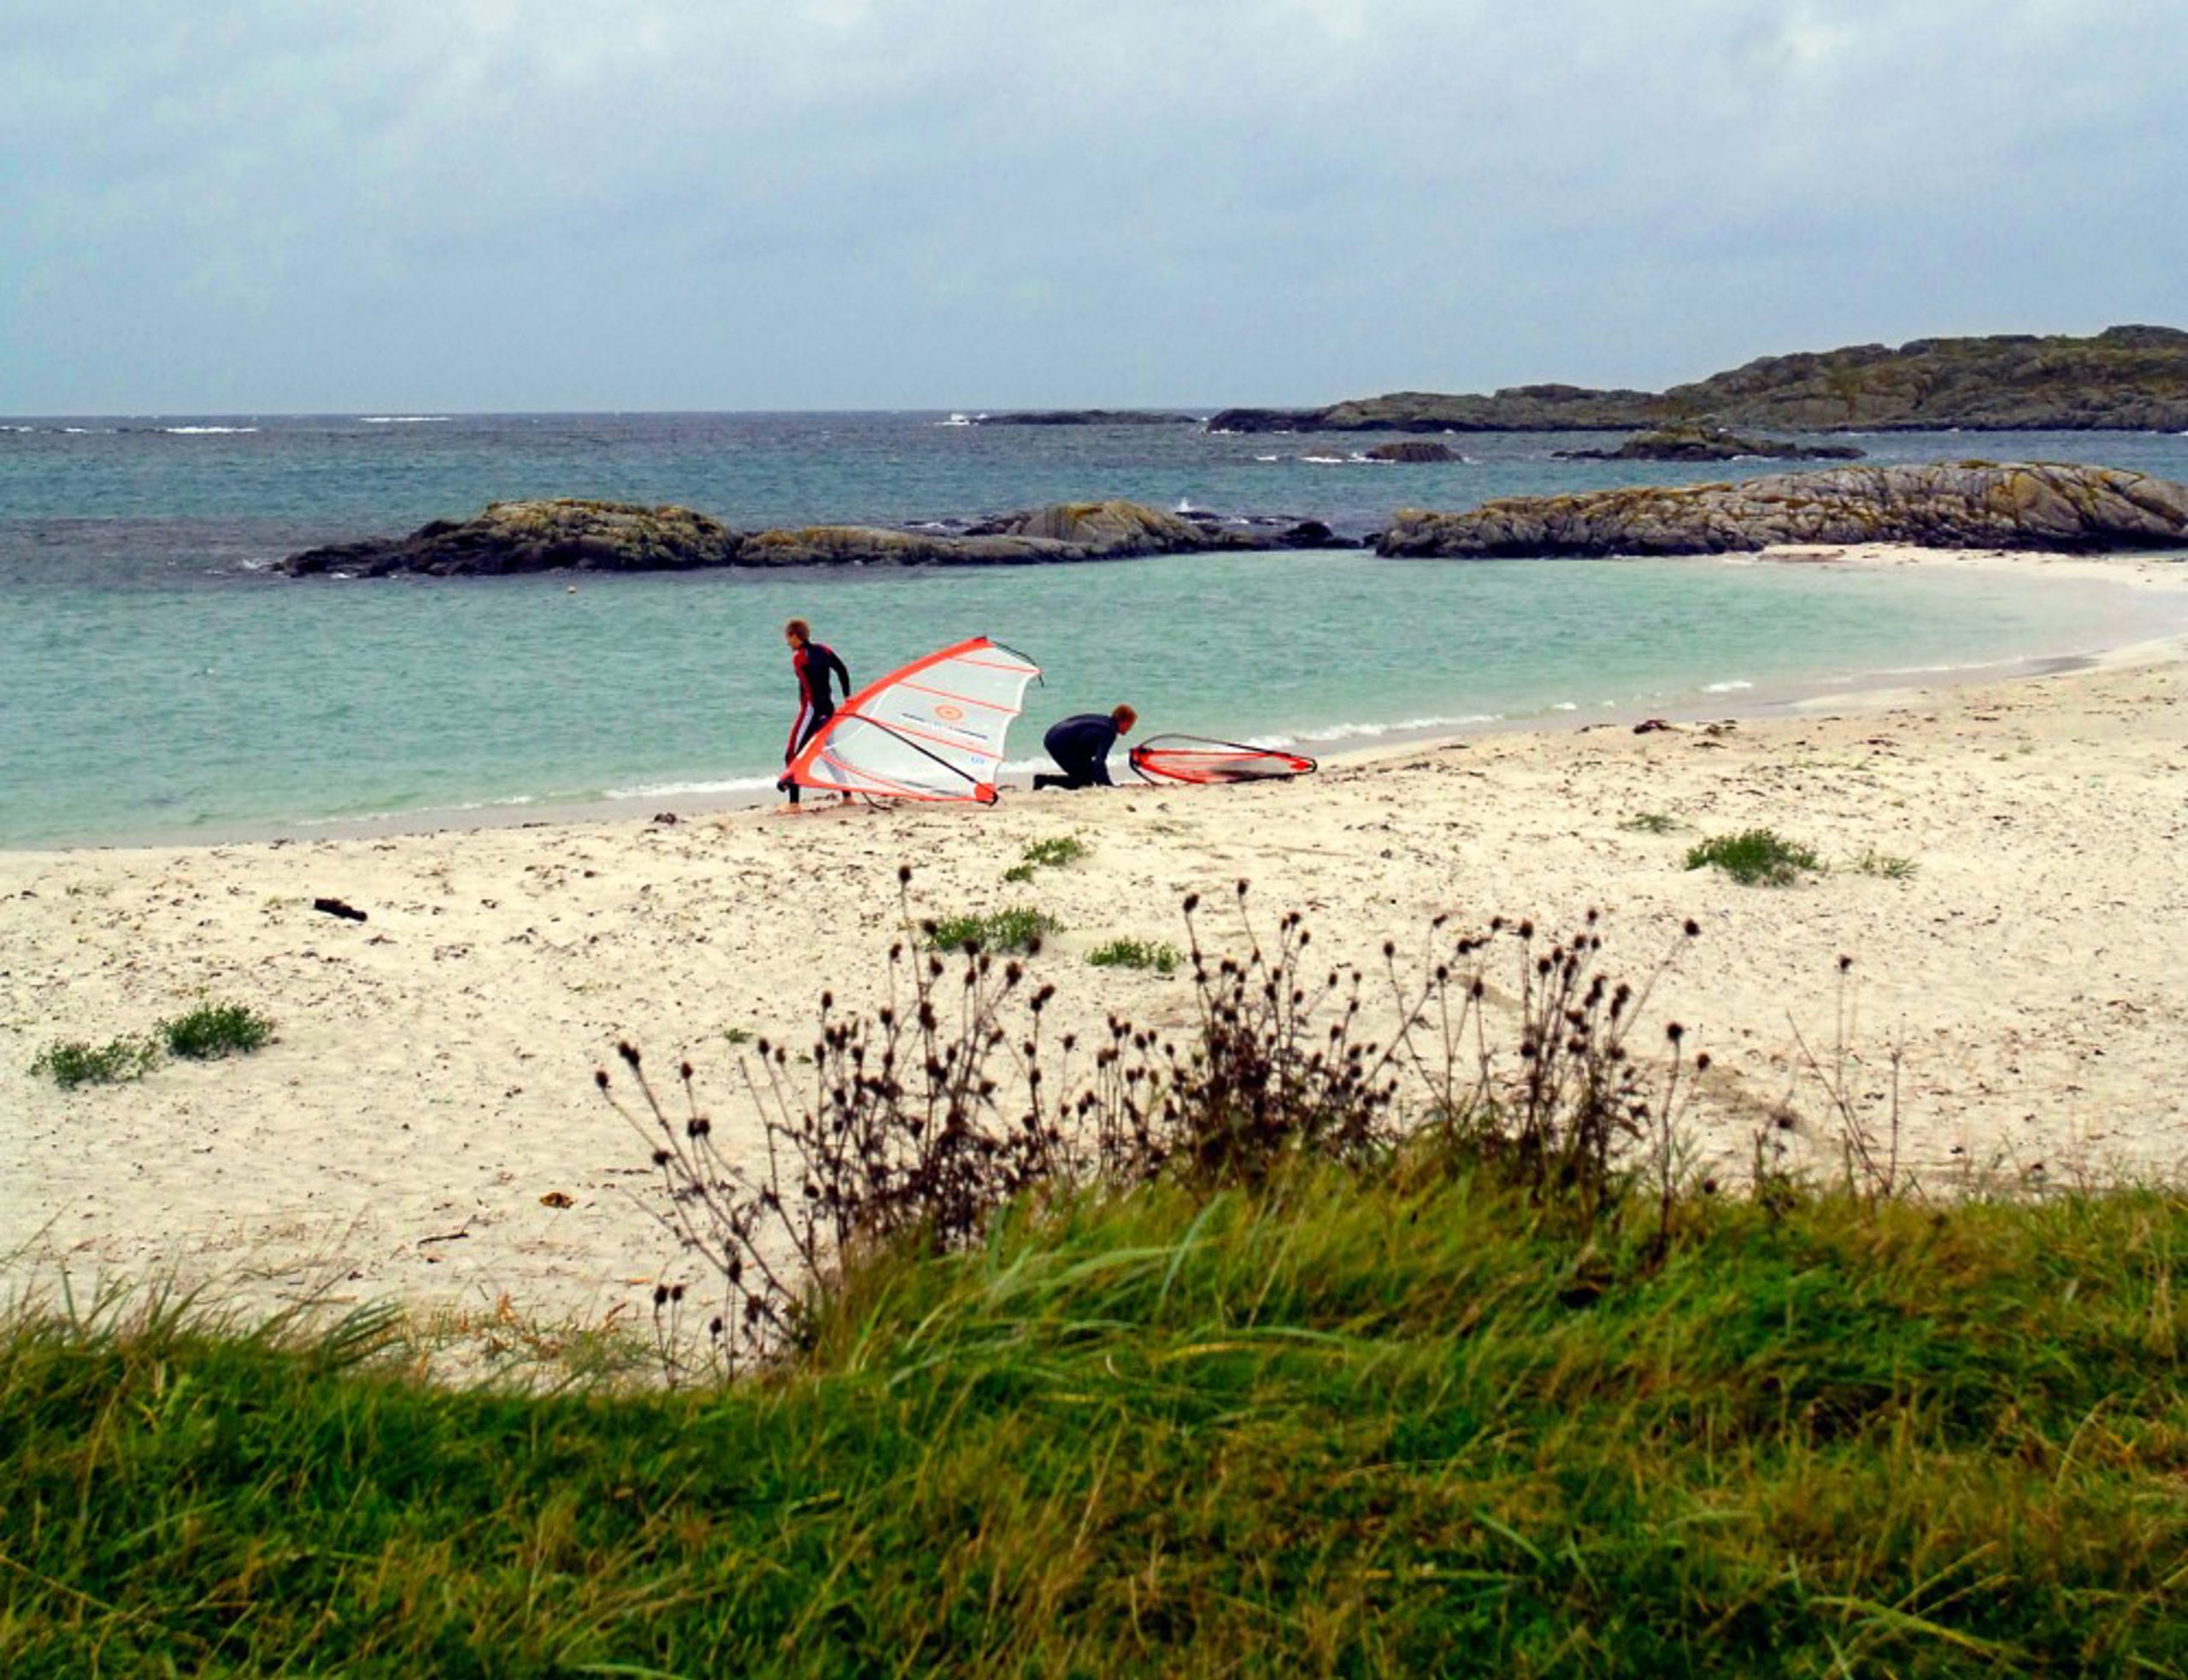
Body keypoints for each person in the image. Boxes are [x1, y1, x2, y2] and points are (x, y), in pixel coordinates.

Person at [777, 618, 852, 808]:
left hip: (812, 712)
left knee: (793, 754)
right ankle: (848, 797)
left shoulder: (800, 658)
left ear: (795, 636)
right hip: (829, 709)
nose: (787, 642)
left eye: (788, 638)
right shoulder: (824, 650)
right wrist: (848, 697)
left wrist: (817, 716)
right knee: (830, 754)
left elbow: (813, 687)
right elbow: (842, 670)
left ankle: (794, 804)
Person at [1033, 704, 1136, 790]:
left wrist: (1100, 779)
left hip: (1055, 735)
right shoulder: (1109, 731)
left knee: (1087, 775)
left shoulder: (1105, 722)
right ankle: (1043, 780)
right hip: (1059, 742)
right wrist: (1108, 785)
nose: (1130, 728)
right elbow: (1099, 761)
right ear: (1124, 721)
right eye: (1131, 724)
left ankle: (1043, 780)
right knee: (1084, 782)